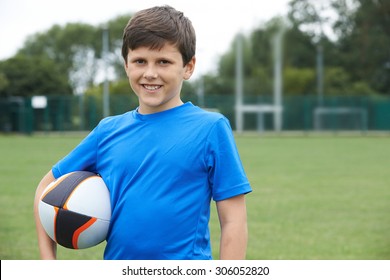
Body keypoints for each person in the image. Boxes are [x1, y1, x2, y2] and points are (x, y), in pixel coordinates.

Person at [34, 5, 252, 260]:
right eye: (140, 61)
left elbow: (234, 221)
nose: (150, 73)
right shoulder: (108, 131)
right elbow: (46, 188)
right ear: (126, 65)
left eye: (163, 62)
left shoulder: (211, 128)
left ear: (188, 67)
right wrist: (47, 265)